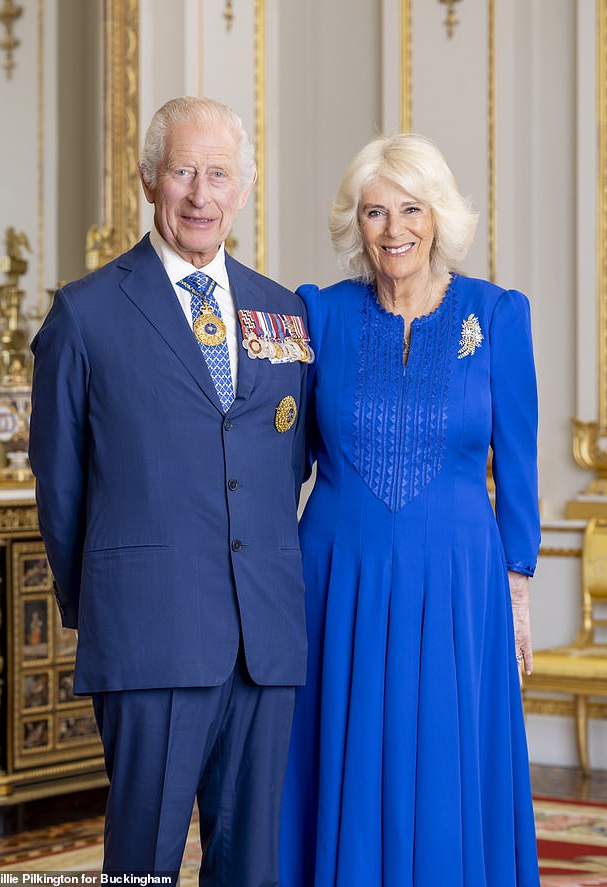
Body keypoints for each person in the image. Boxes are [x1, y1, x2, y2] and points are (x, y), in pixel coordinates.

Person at [29, 96, 311, 884]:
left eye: (219, 174)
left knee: (250, 864)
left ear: (244, 188)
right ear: (150, 179)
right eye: (183, 171)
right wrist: (105, 604)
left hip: (264, 636)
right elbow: (59, 484)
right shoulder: (84, 315)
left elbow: (283, 463)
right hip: (148, 632)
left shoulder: (281, 311)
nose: (200, 193)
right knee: (144, 863)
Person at [279, 133, 540, 886]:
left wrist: (517, 586)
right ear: (353, 224)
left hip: (459, 578)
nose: (394, 230)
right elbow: (280, 459)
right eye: (374, 212)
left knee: (445, 754)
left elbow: (517, 465)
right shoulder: (316, 315)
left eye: (410, 209)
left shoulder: (496, 314)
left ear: (439, 216)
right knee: (340, 754)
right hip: (335, 576)